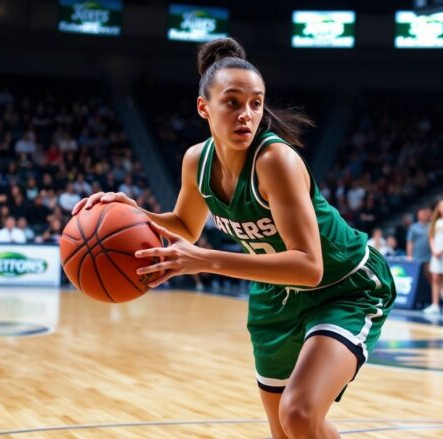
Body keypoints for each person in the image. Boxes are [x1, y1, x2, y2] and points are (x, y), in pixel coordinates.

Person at [72, 38, 395, 439]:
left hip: (344, 286)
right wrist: (134, 213)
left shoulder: (275, 161)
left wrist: (205, 260)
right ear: (203, 107)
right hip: (275, 296)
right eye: (232, 102)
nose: (247, 114)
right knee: (283, 429)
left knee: (299, 414)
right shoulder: (197, 160)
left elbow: (309, 267)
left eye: (256, 103)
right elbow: (185, 226)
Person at [406, 206, 432, 284]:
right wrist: (409, 255)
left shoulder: (431, 226)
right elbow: (410, 242)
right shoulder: (413, 227)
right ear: (418, 215)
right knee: (416, 276)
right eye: (420, 214)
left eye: (423, 214)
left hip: (429, 256)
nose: (422, 216)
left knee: (430, 276)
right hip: (417, 256)